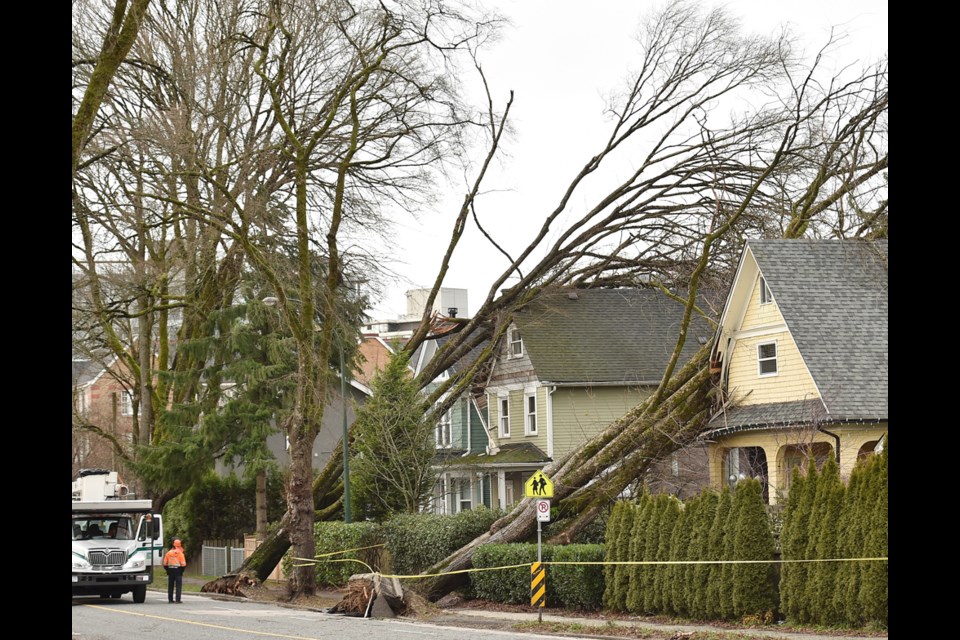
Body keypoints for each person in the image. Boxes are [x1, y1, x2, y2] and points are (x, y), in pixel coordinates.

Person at [163, 538, 187, 603]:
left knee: (170, 585)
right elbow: (183, 564)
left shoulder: (168, 553)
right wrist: (181, 571)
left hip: (170, 570)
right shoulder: (180, 553)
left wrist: (168, 570)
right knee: (178, 586)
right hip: (178, 570)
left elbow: (165, 564)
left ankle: (170, 600)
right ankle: (177, 600)